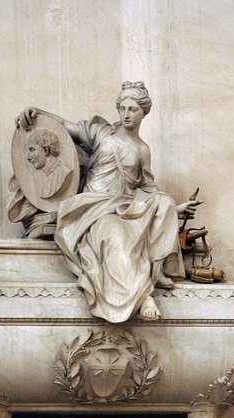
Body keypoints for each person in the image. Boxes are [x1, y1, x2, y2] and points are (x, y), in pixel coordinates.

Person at [17, 82, 198, 322]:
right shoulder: (102, 132)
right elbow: (65, 127)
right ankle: (144, 296)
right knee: (116, 237)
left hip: (124, 207)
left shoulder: (142, 150)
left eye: (132, 109)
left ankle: (156, 269)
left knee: (164, 201)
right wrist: (38, 113)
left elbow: (147, 187)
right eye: (122, 108)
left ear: (143, 112)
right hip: (93, 209)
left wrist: (175, 209)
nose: (126, 114)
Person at [26, 129, 74, 199]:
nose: (28, 157)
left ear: (46, 150)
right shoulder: (46, 176)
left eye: (32, 150)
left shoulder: (64, 173)